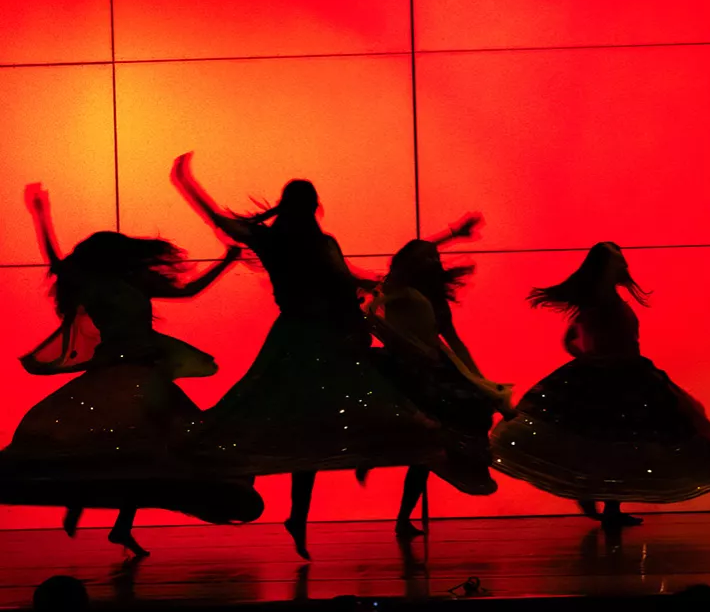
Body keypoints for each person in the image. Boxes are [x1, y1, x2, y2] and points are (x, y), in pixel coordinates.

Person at [171, 152, 445, 560]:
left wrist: (187, 184)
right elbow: (345, 280)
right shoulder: (316, 243)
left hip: (302, 337)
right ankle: (297, 511)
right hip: (324, 339)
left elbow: (220, 221)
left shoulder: (275, 240)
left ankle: (285, 508)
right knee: (316, 427)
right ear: (315, 207)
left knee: (288, 423)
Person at [0, 185, 263, 558]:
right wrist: (40, 216)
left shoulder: (131, 284)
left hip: (145, 374)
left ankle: (117, 523)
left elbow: (188, 291)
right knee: (137, 448)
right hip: (122, 376)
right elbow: (58, 263)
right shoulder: (93, 287)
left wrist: (227, 260)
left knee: (148, 451)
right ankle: (89, 504)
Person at [491, 242, 710, 529]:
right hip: (613, 374)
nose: (624, 267)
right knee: (607, 440)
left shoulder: (603, 301)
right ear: (605, 268)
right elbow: (575, 339)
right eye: (618, 263)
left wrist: (594, 358)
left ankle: (607, 504)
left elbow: (576, 339)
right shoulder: (600, 302)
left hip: (625, 371)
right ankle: (596, 498)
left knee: (619, 442)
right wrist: (595, 360)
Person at [361, 215, 514, 537]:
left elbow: (453, 340)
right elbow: (407, 261)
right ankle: (391, 495)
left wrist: (478, 378)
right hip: (407, 369)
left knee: (433, 445)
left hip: (434, 366)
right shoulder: (397, 286)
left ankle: (403, 518)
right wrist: (451, 235)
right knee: (423, 440)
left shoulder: (432, 298)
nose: (432, 260)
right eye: (426, 257)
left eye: (434, 257)